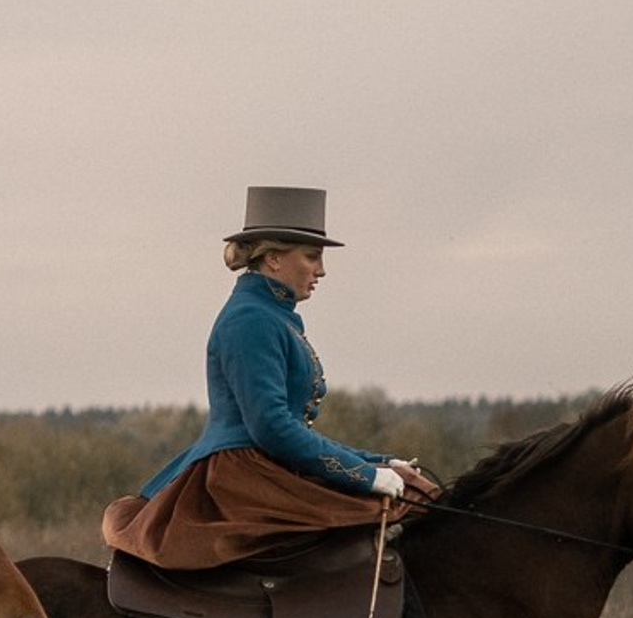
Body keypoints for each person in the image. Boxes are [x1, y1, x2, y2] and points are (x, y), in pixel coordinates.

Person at [101, 186, 436, 570]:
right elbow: (272, 426)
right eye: (312, 256)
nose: (321, 270)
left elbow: (291, 426)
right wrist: (365, 477)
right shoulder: (251, 319)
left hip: (269, 462)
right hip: (244, 475)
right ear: (274, 259)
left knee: (412, 490)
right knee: (400, 505)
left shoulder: (272, 314)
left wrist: (379, 462)